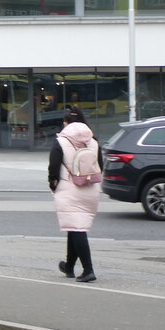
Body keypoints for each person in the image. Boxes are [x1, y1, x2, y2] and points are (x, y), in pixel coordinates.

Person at [48, 106, 101, 282]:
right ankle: (69, 266)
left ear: (66, 123)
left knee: (77, 228)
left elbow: (54, 167)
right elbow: (100, 165)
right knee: (75, 226)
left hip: (69, 189)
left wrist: (53, 185)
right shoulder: (93, 141)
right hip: (91, 188)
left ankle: (88, 270)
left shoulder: (61, 142)